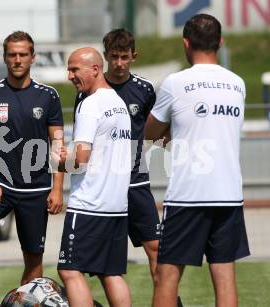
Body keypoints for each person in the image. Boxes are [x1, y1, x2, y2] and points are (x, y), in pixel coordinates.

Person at [145, 14, 250, 307]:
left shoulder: (176, 82)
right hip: (228, 193)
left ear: (186, 43)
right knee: (224, 273)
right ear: (220, 41)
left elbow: (149, 133)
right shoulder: (237, 84)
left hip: (188, 194)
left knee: (168, 274)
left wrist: (171, 139)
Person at [0, 31, 64, 307]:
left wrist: (57, 188)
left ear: (32, 57)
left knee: (33, 258)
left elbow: (57, 143)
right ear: (5, 57)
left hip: (37, 187)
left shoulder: (48, 96)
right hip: (1, 182)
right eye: (12, 54)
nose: (17, 59)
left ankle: (27, 302)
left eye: (23, 54)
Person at [75, 28, 160, 281]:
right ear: (105, 57)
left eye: (125, 57)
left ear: (134, 56)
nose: (120, 63)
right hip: (103, 184)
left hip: (135, 180)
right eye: (114, 57)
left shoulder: (144, 90)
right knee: (97, 258)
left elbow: (155, 131)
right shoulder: (87, 91)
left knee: (156, 247)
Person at [56, 47, 132, 307]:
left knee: (69, 270)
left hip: (89, 204)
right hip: (116, 206)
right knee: (110, 273)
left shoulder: (89, 104)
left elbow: (81, 158)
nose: (69, 75)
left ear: (95, 69)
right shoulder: (119, 104)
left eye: (75, 69)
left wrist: (61, 160)